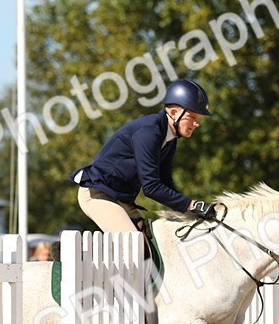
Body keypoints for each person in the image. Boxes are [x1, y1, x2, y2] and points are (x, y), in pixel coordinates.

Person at [69, 78, 217, 235]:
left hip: (121, 198)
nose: (197, 124)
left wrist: (191, 210)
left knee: (150, 239)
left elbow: (165, 183)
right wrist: (192, 205)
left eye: (199, 119)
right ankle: (70, 248)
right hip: (97, 194)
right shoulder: (149, 132)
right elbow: (151, 187)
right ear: (174, 113)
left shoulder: (169, 139)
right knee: (133, 242)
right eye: (192, 117)